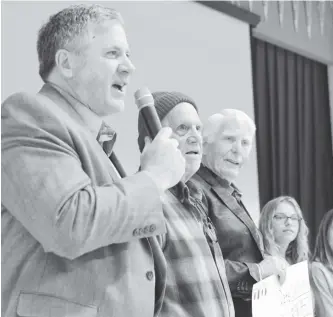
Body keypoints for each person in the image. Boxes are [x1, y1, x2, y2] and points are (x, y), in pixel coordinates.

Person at [1, 5, 184, 317]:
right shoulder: (28, 114)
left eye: (128, 54)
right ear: (66, 63)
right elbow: (70, 223)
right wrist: (154, 178)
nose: (129, 67)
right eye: (113, 53)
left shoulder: (98, 141)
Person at [137, 92, 234, 317]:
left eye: (198, 129)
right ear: (151, 141)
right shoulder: (147, 203)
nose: (196, 138)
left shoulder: (196, 200)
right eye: (183, 128)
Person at [192, 109, 285, 317]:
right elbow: (198, 266)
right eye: (229, 139)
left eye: (245, 143)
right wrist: (258, 272)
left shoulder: (230, 190)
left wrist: (271, 263)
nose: (238, 150)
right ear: (205, 144)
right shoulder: (194, 188)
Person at [259, 196, 310, 266]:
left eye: (294, 218)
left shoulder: (297, 260)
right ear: (267, 222)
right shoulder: (260, 262)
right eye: (280, 217)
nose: (289, 222)